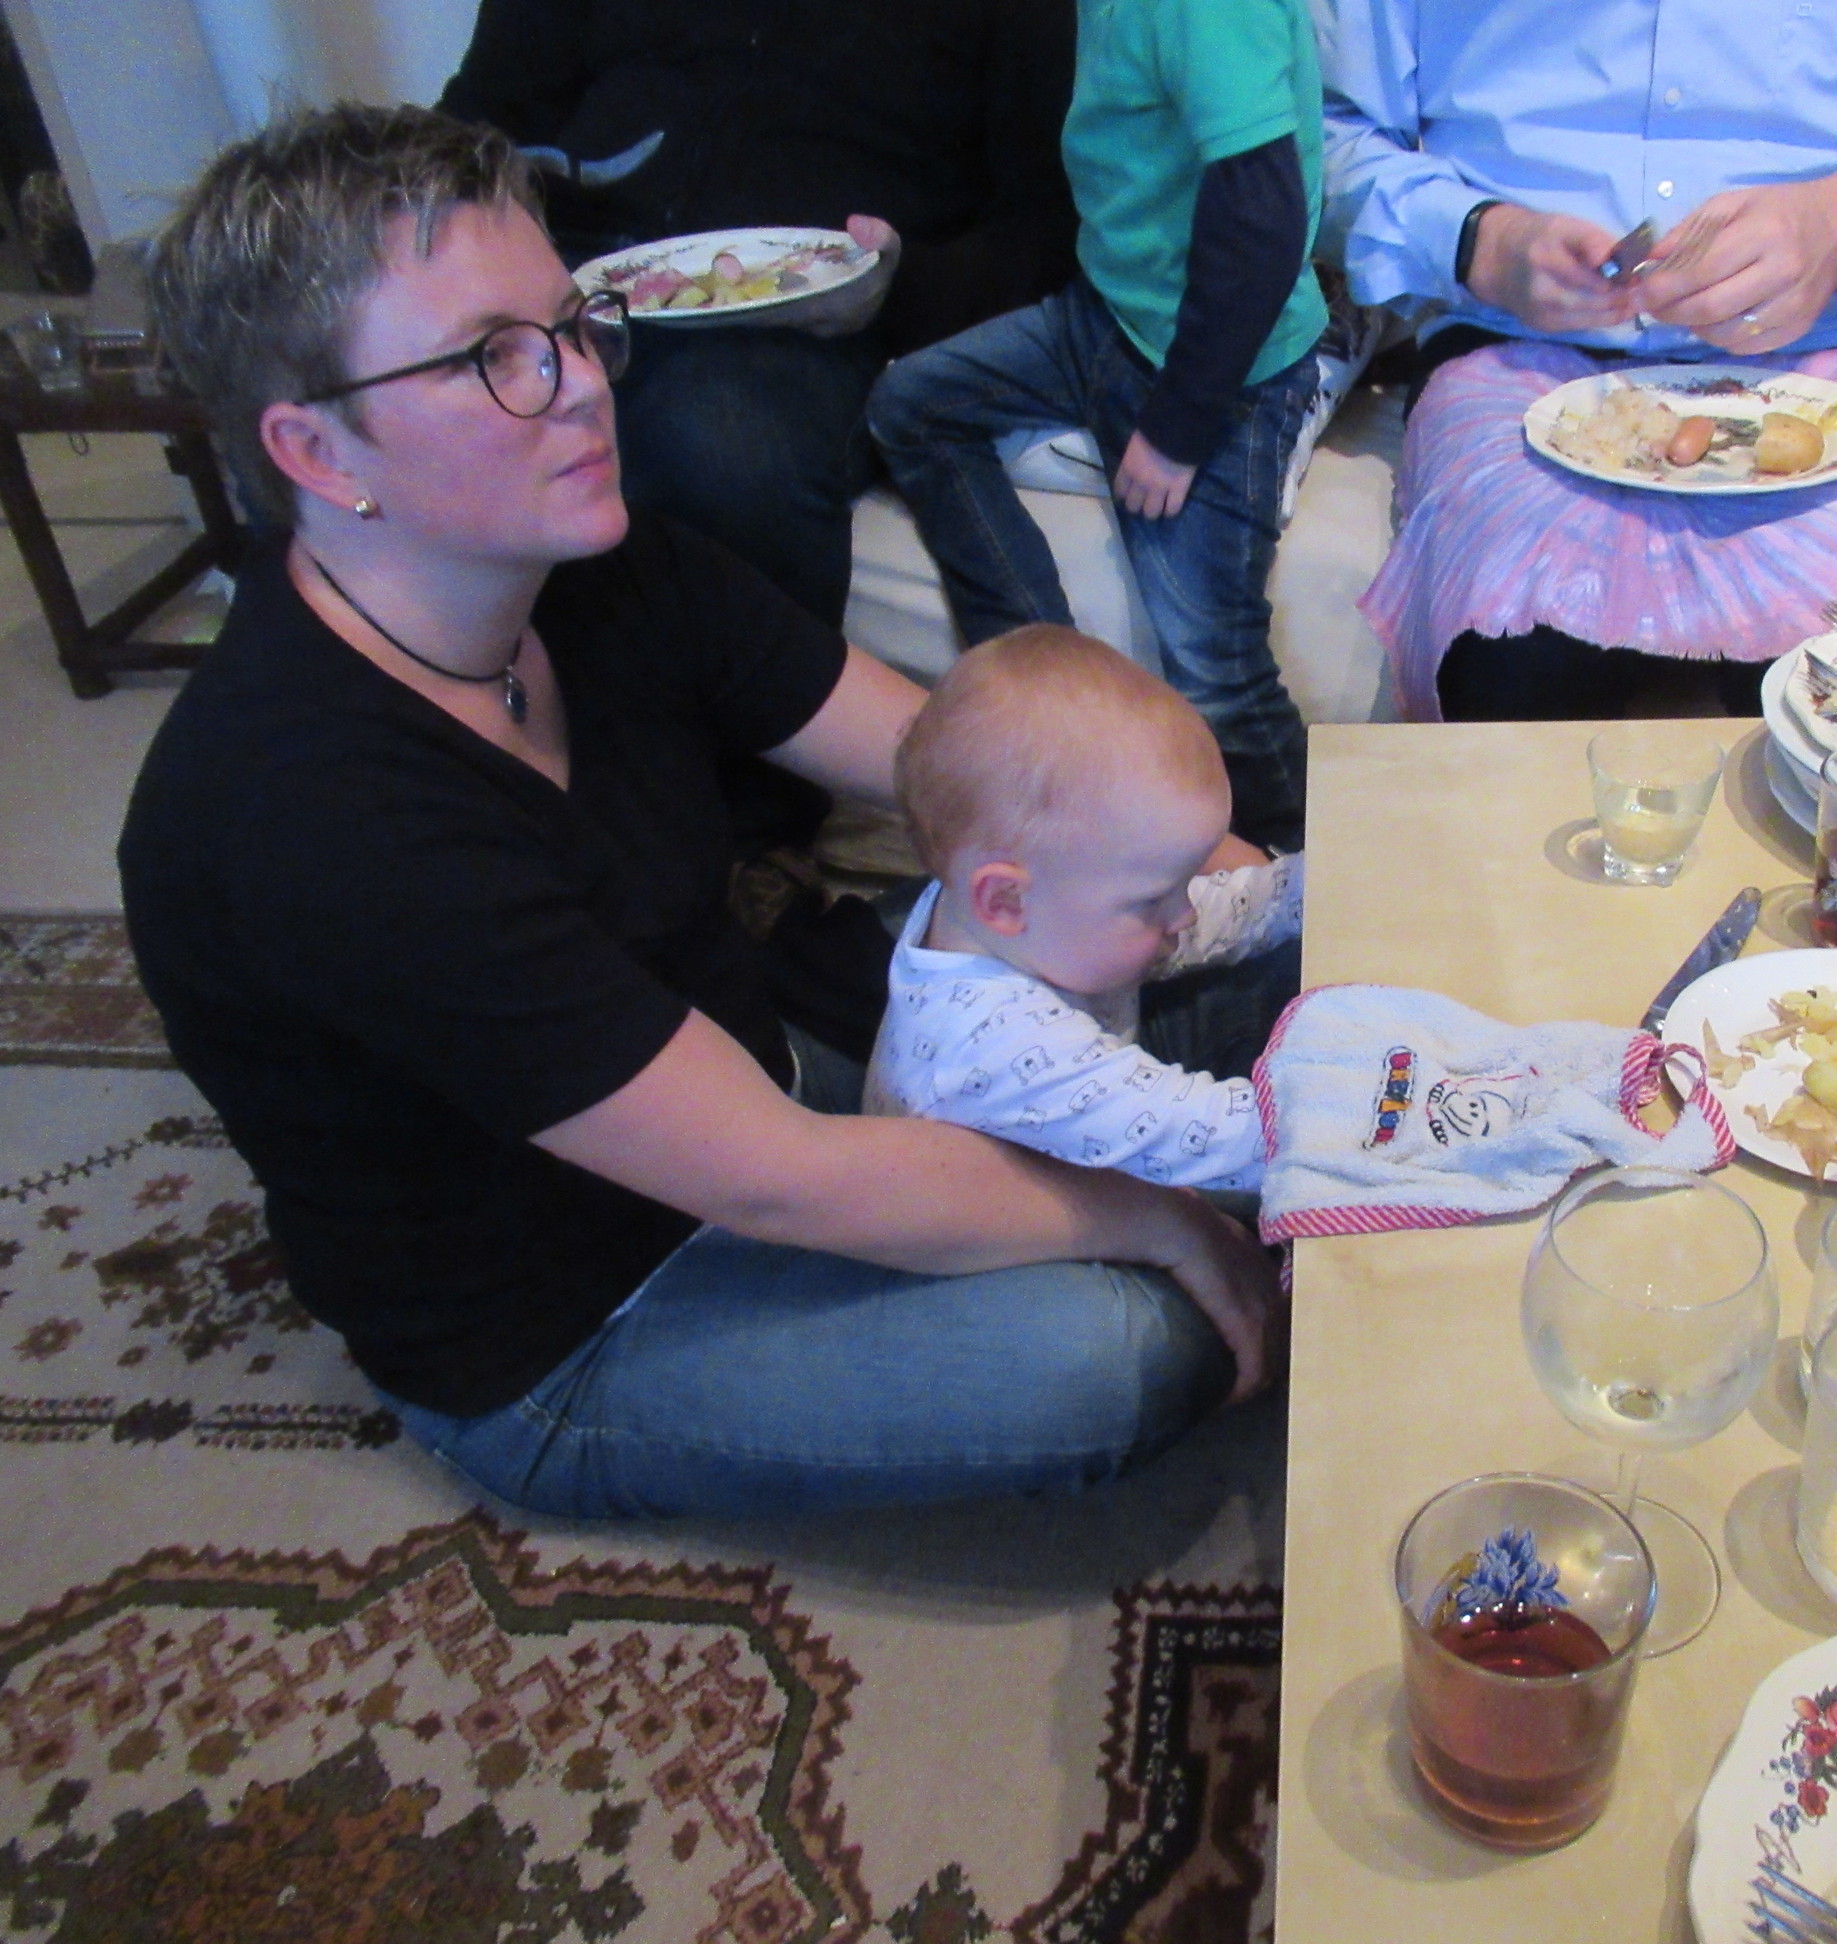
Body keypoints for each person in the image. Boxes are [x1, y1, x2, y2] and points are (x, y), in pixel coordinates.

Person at [119, 103, 1281, 1523]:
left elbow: (958, 765)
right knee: (1125, 1344)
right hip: (579, 1313)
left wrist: (1223, 867)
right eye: (494, 358)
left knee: (1205, 943)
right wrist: (1162, 1221)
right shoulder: (315, 816)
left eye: (573, 323)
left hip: (750, 1073)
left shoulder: (592, 567)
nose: (580, 387)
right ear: (316, 451)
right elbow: (780, 1180)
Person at [1316, 0, 1837, 722]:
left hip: (1833, 352)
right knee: (1509, 662)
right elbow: (1315, 122)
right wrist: (1469, 238)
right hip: (1513, 342)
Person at [437, 0, 1081, 629]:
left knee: (720, 451)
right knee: (424, 391)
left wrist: (901, 287)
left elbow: (1044, 229)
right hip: (568, 263)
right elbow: (473, 129)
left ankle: (726, 701)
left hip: (810, 322)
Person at [866, 0, 1327, 854]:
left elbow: (1264, 221)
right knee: (912, 407)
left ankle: (1306, 866)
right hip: (1108, 314)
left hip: (1224, 362)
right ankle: (1046, 690)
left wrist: (1177, 427)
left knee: (1211, 665)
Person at [865, 626, 1303, 1191]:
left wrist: (1303, 887)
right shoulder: (994, 1046)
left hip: (1105, 1114)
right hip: (1059, 1223)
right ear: (1004, 900)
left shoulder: (1029, 919)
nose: (1186, 914)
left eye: (1184, 882)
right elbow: (1218, 1137)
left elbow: (1211, 916)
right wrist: (1367, 1113)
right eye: (1152, 900)